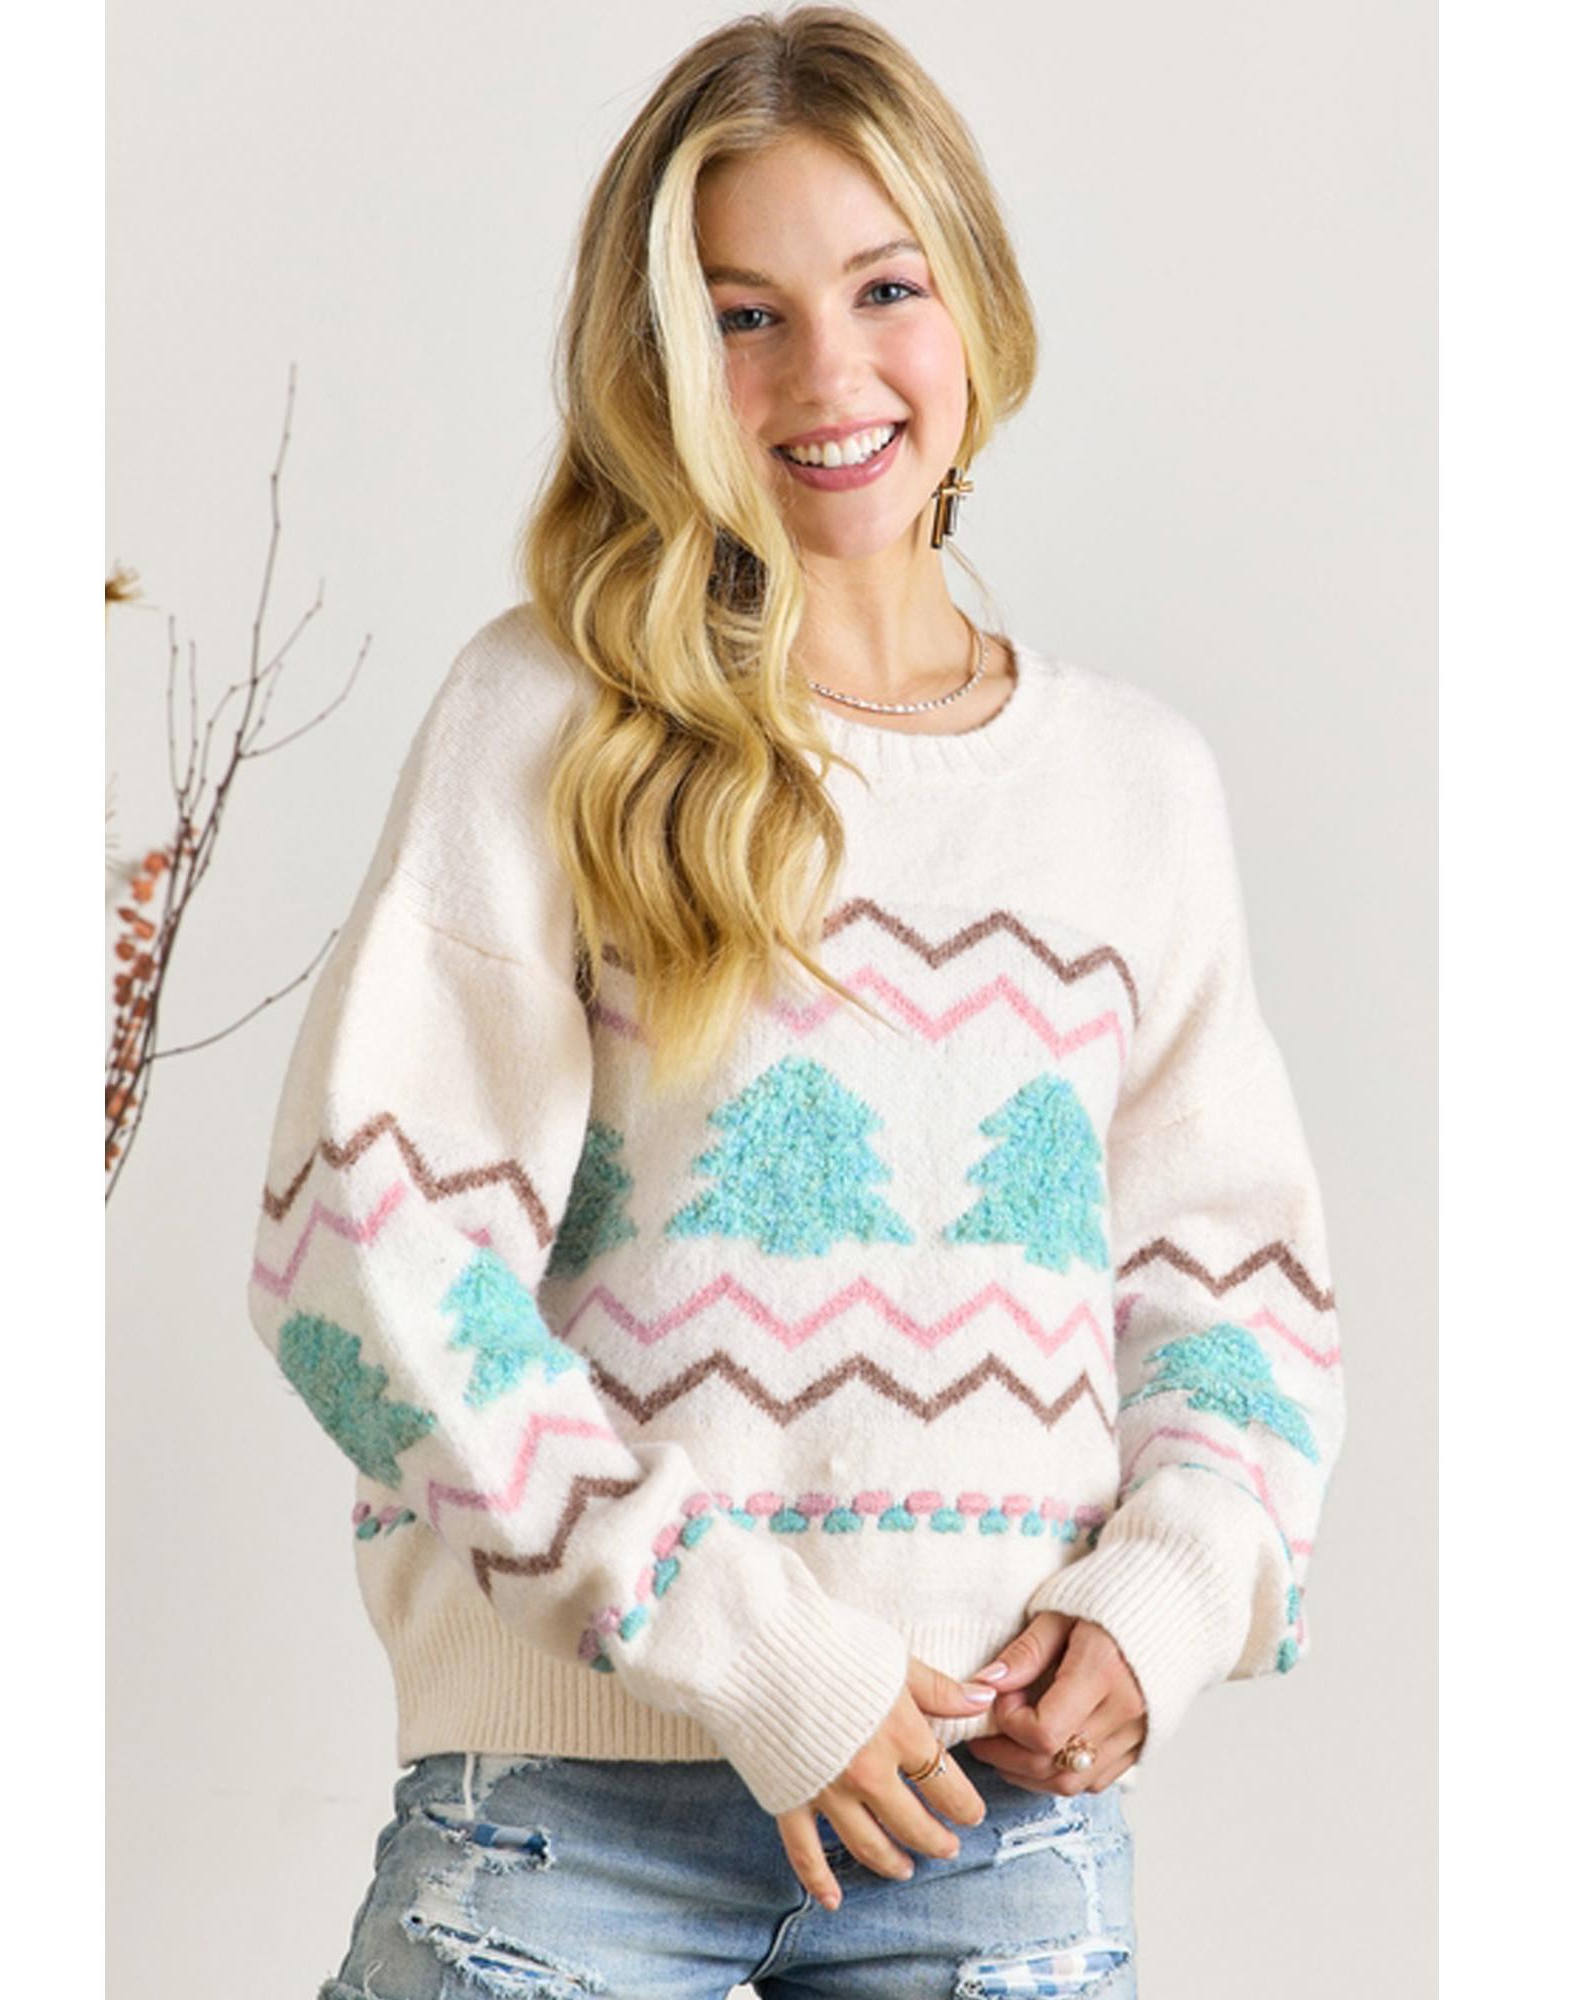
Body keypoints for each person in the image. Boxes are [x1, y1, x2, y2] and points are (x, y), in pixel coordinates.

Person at [246, 8, 1346, 1996]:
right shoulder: (552, 719)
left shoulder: (1133, 789)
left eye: (882, 289)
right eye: (742, 316)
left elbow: (1235, 1293)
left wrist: (1165, 1601)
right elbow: (359, 1259)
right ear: (660, 361)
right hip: (569, 1818)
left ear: (977, 304)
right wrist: (750, 1653)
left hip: (993, 1823)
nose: (826, 375)